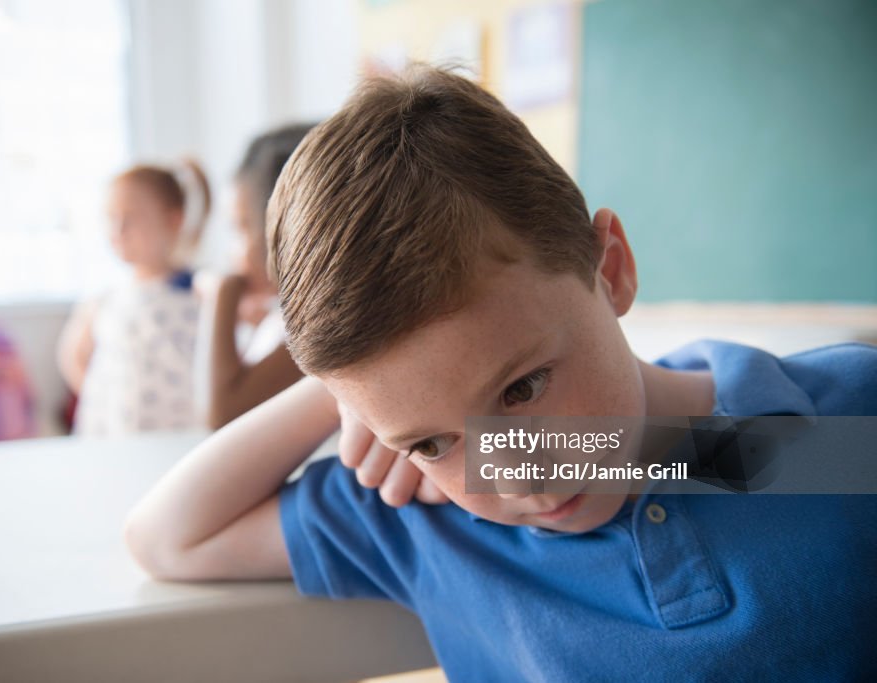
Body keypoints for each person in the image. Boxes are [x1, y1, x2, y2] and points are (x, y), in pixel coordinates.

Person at [123, 66, 877, 681]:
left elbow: (703, 453)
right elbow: (171, 536)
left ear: (608, 268)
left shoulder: (840, 428)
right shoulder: (436, 521)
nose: (518, 474)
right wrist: (345, 388)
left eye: (522, 388)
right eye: (430, 441)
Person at [57, 159, 210, 435]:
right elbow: (73, 356)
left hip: (181, 435)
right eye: (111, 218)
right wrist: (105, 399)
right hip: (118, 434)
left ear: (173, 220)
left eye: (130, 218)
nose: (118, 230)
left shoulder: (201, 291)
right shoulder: (105, 298)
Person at [194, 124, 314, 429]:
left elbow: (221, 414)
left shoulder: (322, 324)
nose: (232, 253)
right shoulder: (282, 318)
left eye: (242, 227)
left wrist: (224, 293)